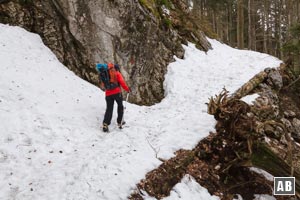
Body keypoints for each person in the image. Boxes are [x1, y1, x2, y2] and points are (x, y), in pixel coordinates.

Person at [99, 62, 130, 132]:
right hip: (117, 93)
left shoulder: (106, 74)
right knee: (120, 106)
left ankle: (105, 124)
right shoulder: (117, 73)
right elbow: (122, 82)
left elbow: (103, 85)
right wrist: (127, 89)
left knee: (109, 109)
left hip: (108, 94)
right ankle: (120, 122)